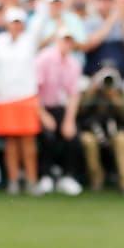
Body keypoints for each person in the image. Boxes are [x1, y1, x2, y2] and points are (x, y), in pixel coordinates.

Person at [0, 7, 41, 194]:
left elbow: (42, 18)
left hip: (26, 96)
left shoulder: (30, 41)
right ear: (7, 24)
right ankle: (13, 181)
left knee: (28, 143)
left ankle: (32, 181)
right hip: (4, 97)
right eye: (13, 22)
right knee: (11, 143)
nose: (16, 26)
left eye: (19, 22)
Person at [34, 30, 84, 195]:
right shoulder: (44, 58)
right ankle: (45, 176)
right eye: (64, 40)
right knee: (47, 135)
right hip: (41, 107)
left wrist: (69, 121)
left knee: (73, 136)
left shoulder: (73, 63)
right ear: (58, 41)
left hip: (61, 108)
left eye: (70, 41)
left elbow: (74, 94)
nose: (67, 44)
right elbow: (35, 91)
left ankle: (68, 176)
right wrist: (43, 115)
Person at [77, 65, 124, 196]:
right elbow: (80, 111)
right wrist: (92, 91)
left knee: (123, 139)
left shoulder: (120, 92)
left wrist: (115, 98)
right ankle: (96, 181)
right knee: (87, 140)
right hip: (93, 132)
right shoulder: (91, 92)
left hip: (113, 133)